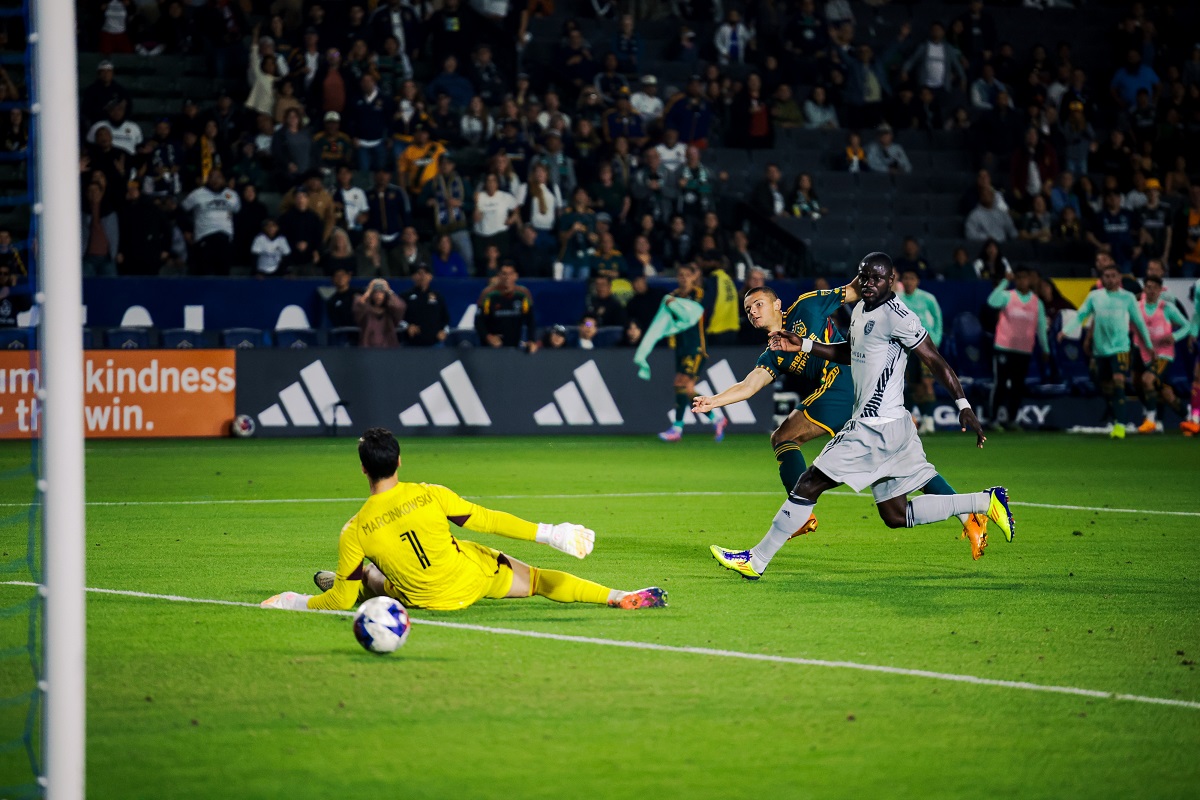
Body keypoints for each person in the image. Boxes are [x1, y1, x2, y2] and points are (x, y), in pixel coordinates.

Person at [710, 253, 1014, 580]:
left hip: (874, 426)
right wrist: (806, 346)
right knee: (896, 515)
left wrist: (963, 405)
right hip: (893, 427)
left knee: (809, 483)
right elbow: (848, 351)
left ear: (891, 280)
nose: (868, 284)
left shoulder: (900, 317)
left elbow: (935, 360)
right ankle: (985, 502)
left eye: (876, 279)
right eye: (864, 278)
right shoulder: (859, 311)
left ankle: (755, 560)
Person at [262, 428, 666, 613]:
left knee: (369, 579)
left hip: (422, 599)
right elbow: (487, 520)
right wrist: (549, 532)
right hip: (472, 579)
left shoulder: (355, 530)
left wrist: (293, 601)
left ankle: (360, 578)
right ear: (399, 461)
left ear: (363, 469)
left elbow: (340, 604)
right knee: (539, 580)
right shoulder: (430, 494)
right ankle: (616, 596)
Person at [1059, 262, 1154, 439]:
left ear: (1119, 278)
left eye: (1113, 276)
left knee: (1119, 381)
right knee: (1105, 386)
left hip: (1121, 348)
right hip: (1100, 349)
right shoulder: (1095, 296)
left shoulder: (1128, 298)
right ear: (1102, 279)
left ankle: (1121, 425)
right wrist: (1065, 331)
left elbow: (1139, 322)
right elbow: (1081, 314)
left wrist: (1148, 344)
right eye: (1107, 276)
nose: (1110, 279)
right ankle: (1115, 415)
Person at [657, 264, 728, 444]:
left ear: (692, 278)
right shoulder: (672, 296)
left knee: (679, 383)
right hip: (681, 347)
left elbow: (693, 314)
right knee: (686, 389)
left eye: (687, 275)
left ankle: (677, 428)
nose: (683, 278)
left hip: (695, 347)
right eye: (680, 275)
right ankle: (716, 419)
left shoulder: (698, 294)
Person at [986, 266, 1050, 431]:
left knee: (1017, 385)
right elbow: (991, 301)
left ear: (1030, 280)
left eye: (1025, 278)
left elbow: (1041, 327)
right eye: (1019, 278)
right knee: (1000, 383)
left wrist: (1045, 348)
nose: (1022, 281)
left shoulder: (1037, 302)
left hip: (1024, 350)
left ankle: (1011, 419)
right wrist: (1004, 282)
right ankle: (993, 419)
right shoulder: (1008, 296)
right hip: (1004, 347)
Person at [1133, 275, 1190, 433]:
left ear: (1160, 290)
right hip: (1143, 354)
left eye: (1154, 288)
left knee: (1148, 380)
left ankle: (1150, 420)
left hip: (1163, 355)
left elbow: (1187, 326)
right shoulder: (1137, 307)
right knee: (1166, 393)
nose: (1151, 291)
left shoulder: (1167, 308)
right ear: (1144, 289)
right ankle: (1189, 418)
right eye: (1148, 287)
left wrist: (1175, 336)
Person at [896, 268, 943, 434]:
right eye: (906, 278)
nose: (908, 281)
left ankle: (930, 421)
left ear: (917, 281)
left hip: (926, 347)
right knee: (915, 385)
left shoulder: (928, 299)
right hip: (907, 348)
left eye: (912, 278)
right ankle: (924, 419)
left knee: (927, 382)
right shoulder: (898, 299)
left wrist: (935, 340)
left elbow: (937, 319)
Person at [180, 168, 240, 275]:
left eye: (218, 177)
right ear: (207, 179)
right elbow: (181, 211)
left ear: (223, 180)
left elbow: (238, 211)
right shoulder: (197, 194)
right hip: (205, 238)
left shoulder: (232, 195)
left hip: (225, 239)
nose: (215, 180)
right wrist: (187, 230)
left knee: (223, 276)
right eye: (212, 177)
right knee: (205, 275)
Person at [476, 263, 537, 349]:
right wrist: (488, 337)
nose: (507, 277)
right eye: (504, 274)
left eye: (510, 274)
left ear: (516, 276)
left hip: (515, 346)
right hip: (492, 347)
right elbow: (479, 321)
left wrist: (531, 340)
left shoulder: (523, 295)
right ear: (499, 276)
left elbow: (530, 319)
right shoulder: (488, 295)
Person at [402, 264, 450, 347]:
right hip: (411, 344)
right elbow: (397, 319)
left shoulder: (438, 297)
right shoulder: (405, 297)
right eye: (419, 273)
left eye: (425, 273)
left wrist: (444, 332)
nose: (422, 276)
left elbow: (446, 319)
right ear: (413, 277)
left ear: (430, 277)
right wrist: (407, 326)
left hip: (435, 344)